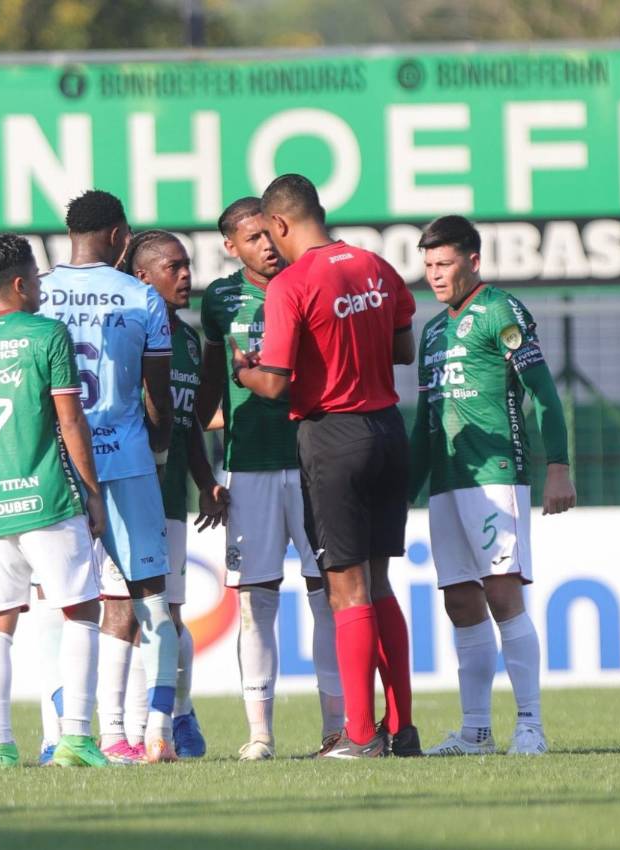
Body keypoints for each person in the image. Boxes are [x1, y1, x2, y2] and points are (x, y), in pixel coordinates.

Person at [231, 174, 419, 760]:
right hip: (389, 428)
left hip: (334, 436)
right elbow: (403, 349)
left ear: (281, 224)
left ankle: (361, 737)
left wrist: (242, 370)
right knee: (381, 582)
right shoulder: (375, 266)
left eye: (269, 232)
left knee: (347, 589)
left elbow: (276, 382)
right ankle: (403, 728)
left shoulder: (292, 284)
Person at [0, 233, 109, 770]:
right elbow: (70, 419)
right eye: (36, 277)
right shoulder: (47, 335)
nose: (40, 286)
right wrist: (94, 492)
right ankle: (76, 739)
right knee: (82, 609)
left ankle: (1, 748)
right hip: (51, 501)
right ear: (19, 284)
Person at [410, 215, 576, 757]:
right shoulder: (432, 331)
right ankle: (476, 730)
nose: (435, 274)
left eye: (445, 263)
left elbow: (544, 394)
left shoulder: (501, 310)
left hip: (495, 474)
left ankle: (530, 724)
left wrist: (558, 465)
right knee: (460, 601)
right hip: (445, 483)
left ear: (472, 262)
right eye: (429, 264)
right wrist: (405, 491)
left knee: (502, 592)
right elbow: (423, 422)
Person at [194, 197, 345, 761]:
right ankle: (260, 733)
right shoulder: (221, 299)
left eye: (269, 233)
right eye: (251, 237)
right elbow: (210, 386)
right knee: (257, 603)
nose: (265, 244)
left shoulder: (308, 280)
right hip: (249, 467)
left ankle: (337, 728)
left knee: (326, 595)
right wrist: (201, 466)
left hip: (312, 457)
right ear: (232, 246)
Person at [38, 190, 181, 763]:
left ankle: (59, 737)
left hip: (56, 467)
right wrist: (161, 452)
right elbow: (159, 397)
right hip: (125, 461)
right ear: (122, 237)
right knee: (152, 600)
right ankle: (158, 734)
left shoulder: (36, 292)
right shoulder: (140, 296)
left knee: (63, 604)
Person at [91, 230, 230, 761]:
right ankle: (115, 731)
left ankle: (178, 714)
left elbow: (188, 421)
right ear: (143, 277)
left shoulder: (190, 341)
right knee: (122, 611)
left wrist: (204, 481)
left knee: (169, 613)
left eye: (187, 265)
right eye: (173, 267)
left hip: (171, 498)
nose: (186, 275)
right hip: (125, 492)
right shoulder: (123, 331)